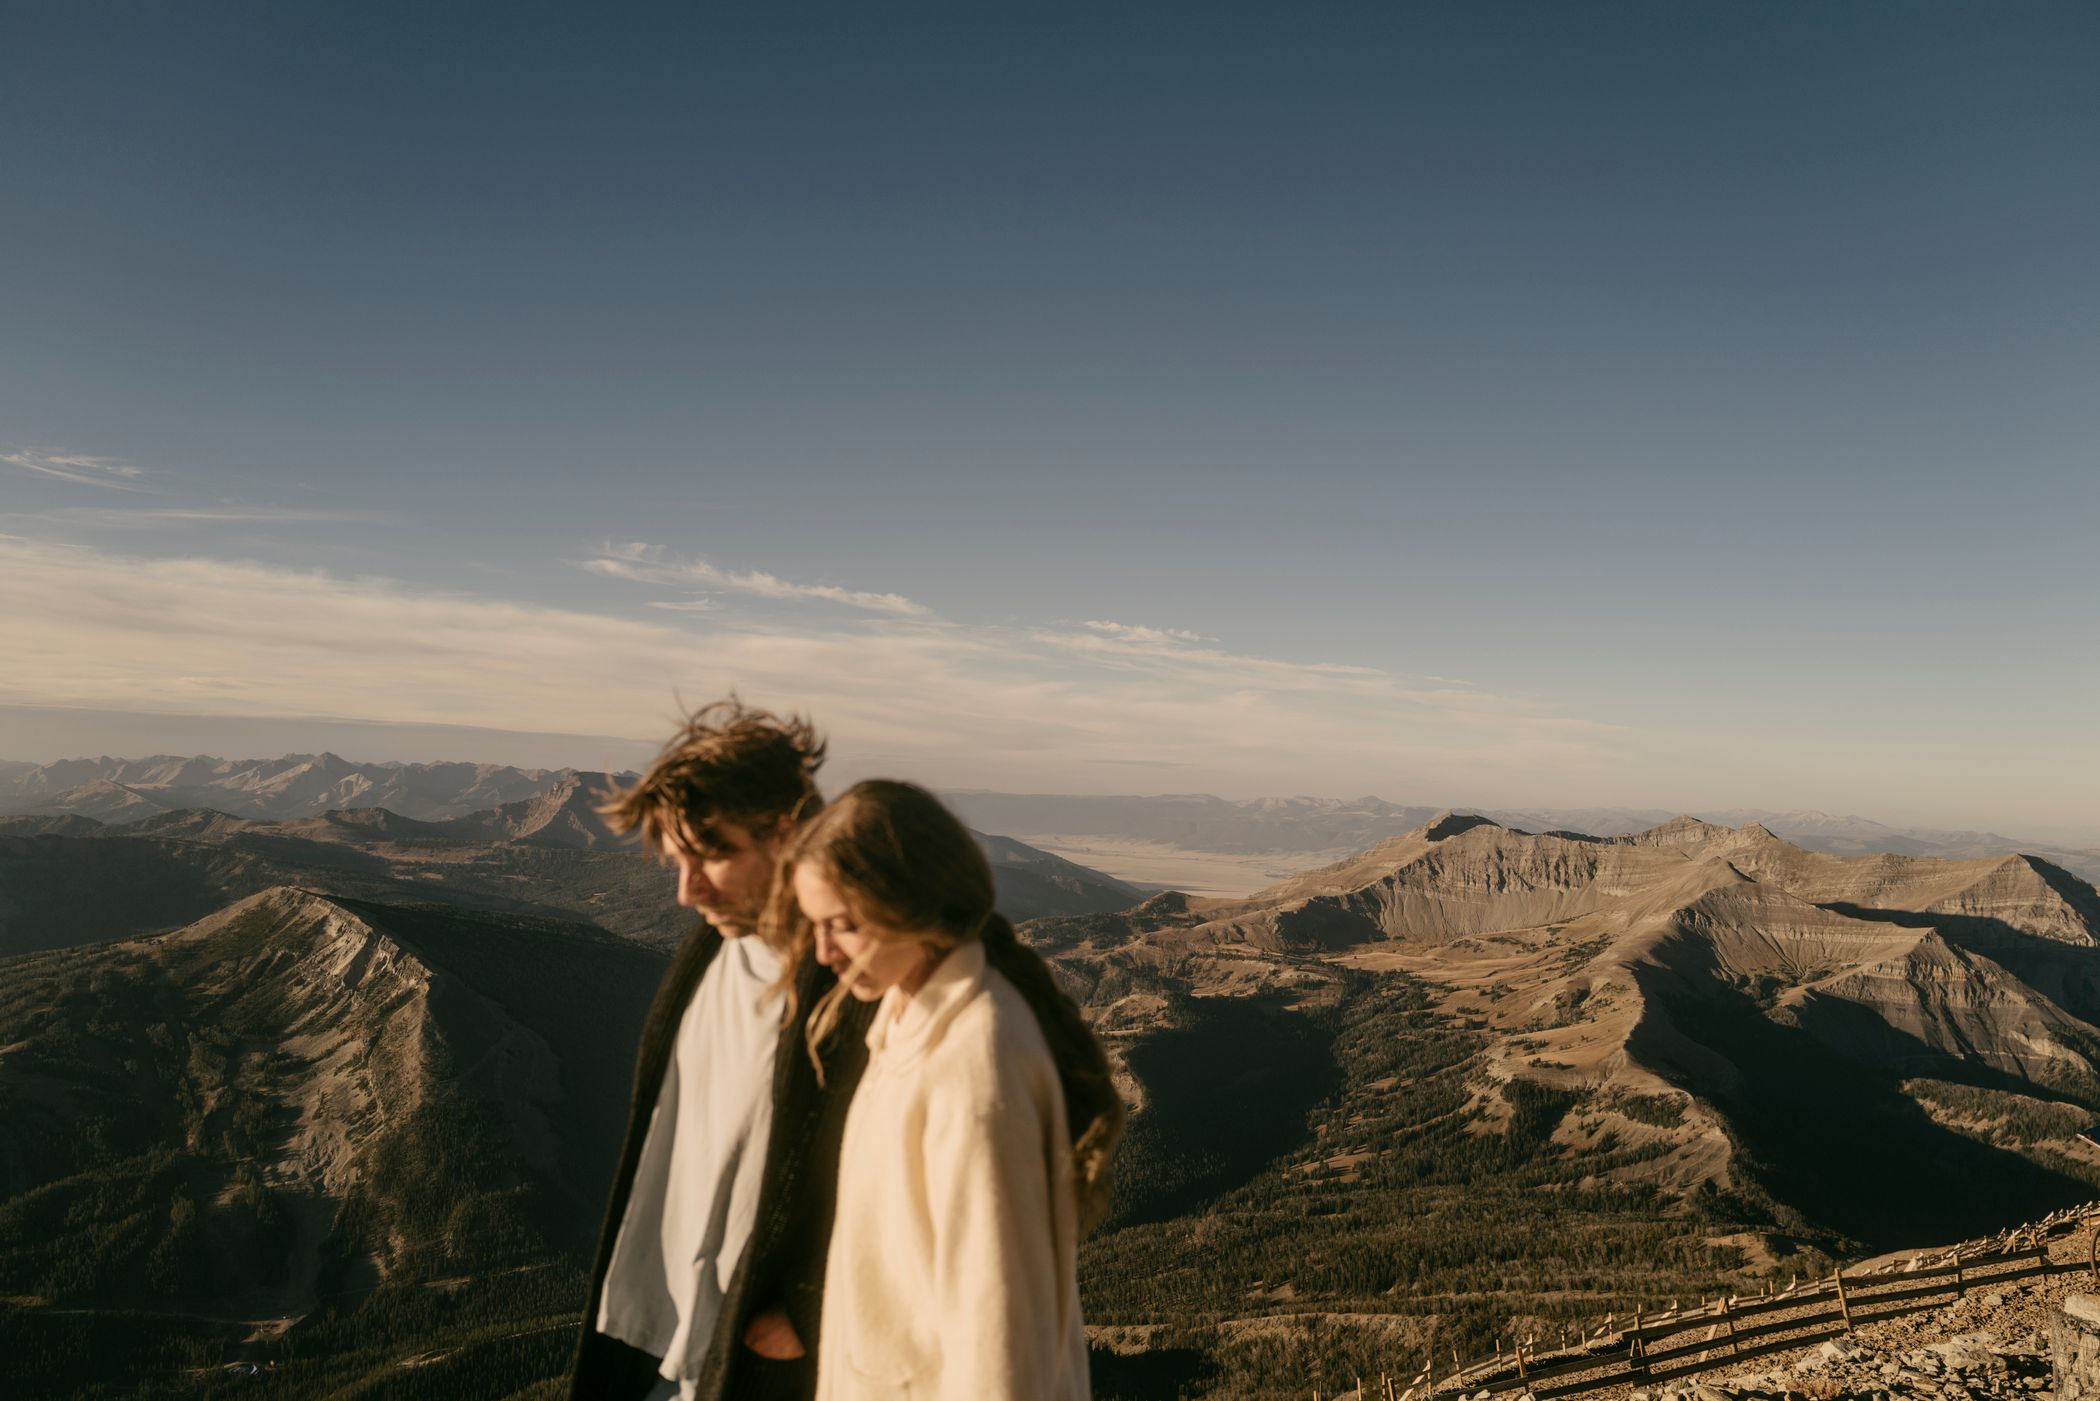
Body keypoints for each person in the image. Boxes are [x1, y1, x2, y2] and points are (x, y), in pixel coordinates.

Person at [764, 779, 1126, 1401]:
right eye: (815, 925)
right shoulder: (905, 1016)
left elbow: (998, 1338)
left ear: (917, 905)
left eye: (844, 925)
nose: (822, 951)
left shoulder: (976, 1063)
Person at [567, 699, 877, 1401]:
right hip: (651, 1343)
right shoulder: (709, 950)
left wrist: (808, 1310)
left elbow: (921, 1179)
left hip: (755, 1365)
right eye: (678, 860)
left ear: (789, 830)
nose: (687, 889)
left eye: (714, 854)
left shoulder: (857, 986)